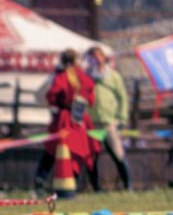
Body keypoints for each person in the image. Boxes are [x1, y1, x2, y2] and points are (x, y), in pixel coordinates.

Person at [34, 49, 99, 198]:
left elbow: (51, 96)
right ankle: (78, 184)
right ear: (76, 60)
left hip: (63, 119)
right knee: (78, 152)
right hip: (79, 119)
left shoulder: (61, 77)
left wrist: (59, 102)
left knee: (51, 151)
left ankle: (40, 182)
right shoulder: (84, 78)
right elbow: (91, 99)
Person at [86, 46, 132, 191]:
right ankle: (95, 188)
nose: (96, 59)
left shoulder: (113, 76)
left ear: (103, 57)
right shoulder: (87, 76)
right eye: (92, 57)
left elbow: (122, 97)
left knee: (118, 155)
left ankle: (127, 186)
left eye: (98, 56)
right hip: (92, 123)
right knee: (91, 158)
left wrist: (122, 118)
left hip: (109, 122)